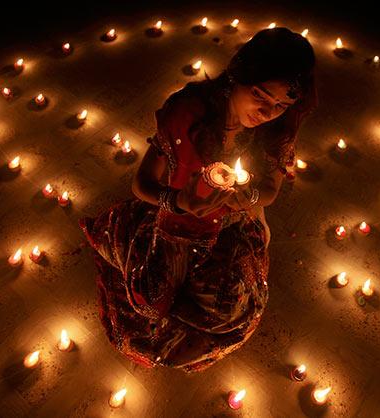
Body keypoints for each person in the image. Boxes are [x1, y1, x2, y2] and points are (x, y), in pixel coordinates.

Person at [79, 27, 317, 373]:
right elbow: (141, 183)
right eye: (260, 96)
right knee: (149, 305)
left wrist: (247, 199)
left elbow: (269, 191)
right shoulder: (187, 112)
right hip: (177, 221)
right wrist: (177, 203)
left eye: (281, 105)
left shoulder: (278, 130)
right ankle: (131, 236)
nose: (268, 112)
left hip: (231, 226)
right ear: (238, 74)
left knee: (227, 312)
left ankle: (192, 282)